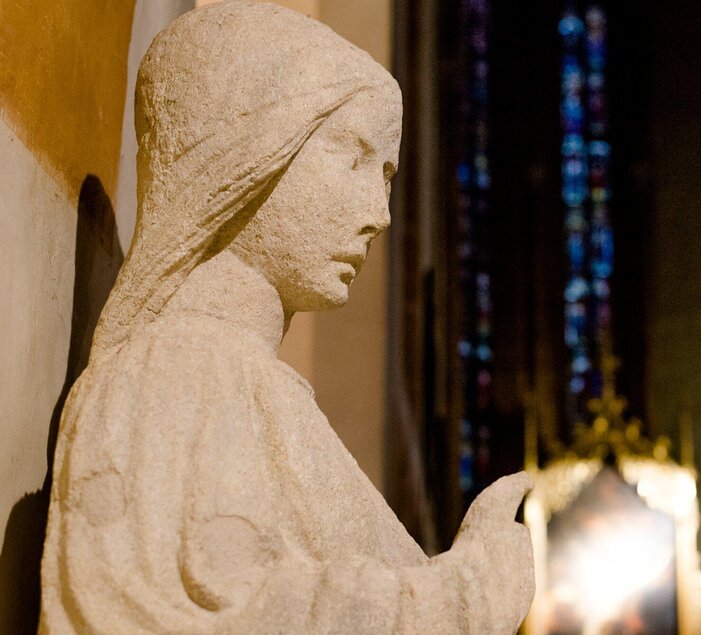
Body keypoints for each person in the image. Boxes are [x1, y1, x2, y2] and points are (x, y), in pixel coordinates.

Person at [39, 3, 533, 633]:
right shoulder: (176, 376)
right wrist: (465, 594)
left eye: (384, 177)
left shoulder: (249, 387)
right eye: (353, 158)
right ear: (248, 148)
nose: (379, 213)